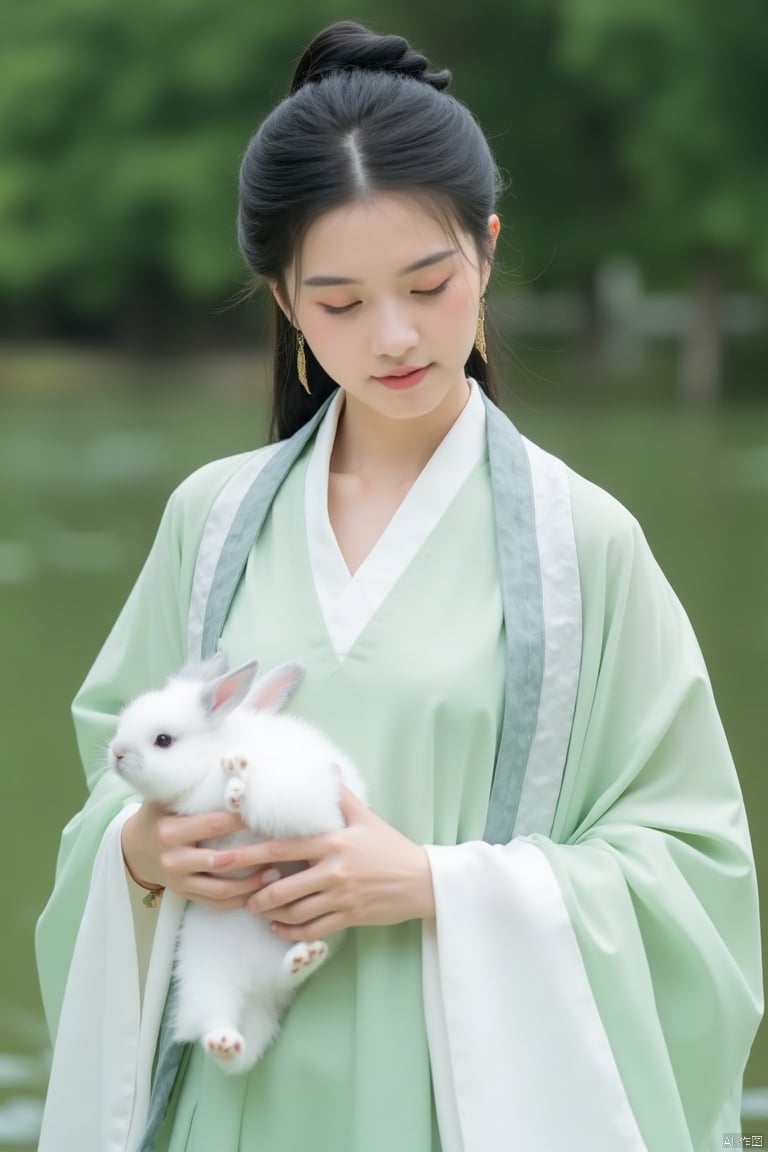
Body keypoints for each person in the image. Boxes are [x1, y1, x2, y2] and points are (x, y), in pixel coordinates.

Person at [35, 19, 762, 1152]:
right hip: (240, 1105)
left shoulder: (586, 546)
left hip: (460, 1105)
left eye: (429, 284)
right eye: (339, 303)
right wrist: (137, 852)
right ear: (283, 304)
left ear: (487, 250)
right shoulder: (213, 524)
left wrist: (433, 883)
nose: (394, 337)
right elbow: (112, 781)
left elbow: (694, 874)